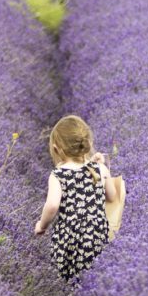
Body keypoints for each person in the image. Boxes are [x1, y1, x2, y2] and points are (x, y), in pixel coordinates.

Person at [34, 114, 116, 284]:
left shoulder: (58, 174)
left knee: (68, 280)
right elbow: (112, 196)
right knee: (95, 277)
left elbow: (52, 205)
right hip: (97, 235)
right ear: (88, 144)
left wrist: (42, 225)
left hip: (69, 238)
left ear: (56, 149)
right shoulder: (99, 169)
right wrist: (105, 169)